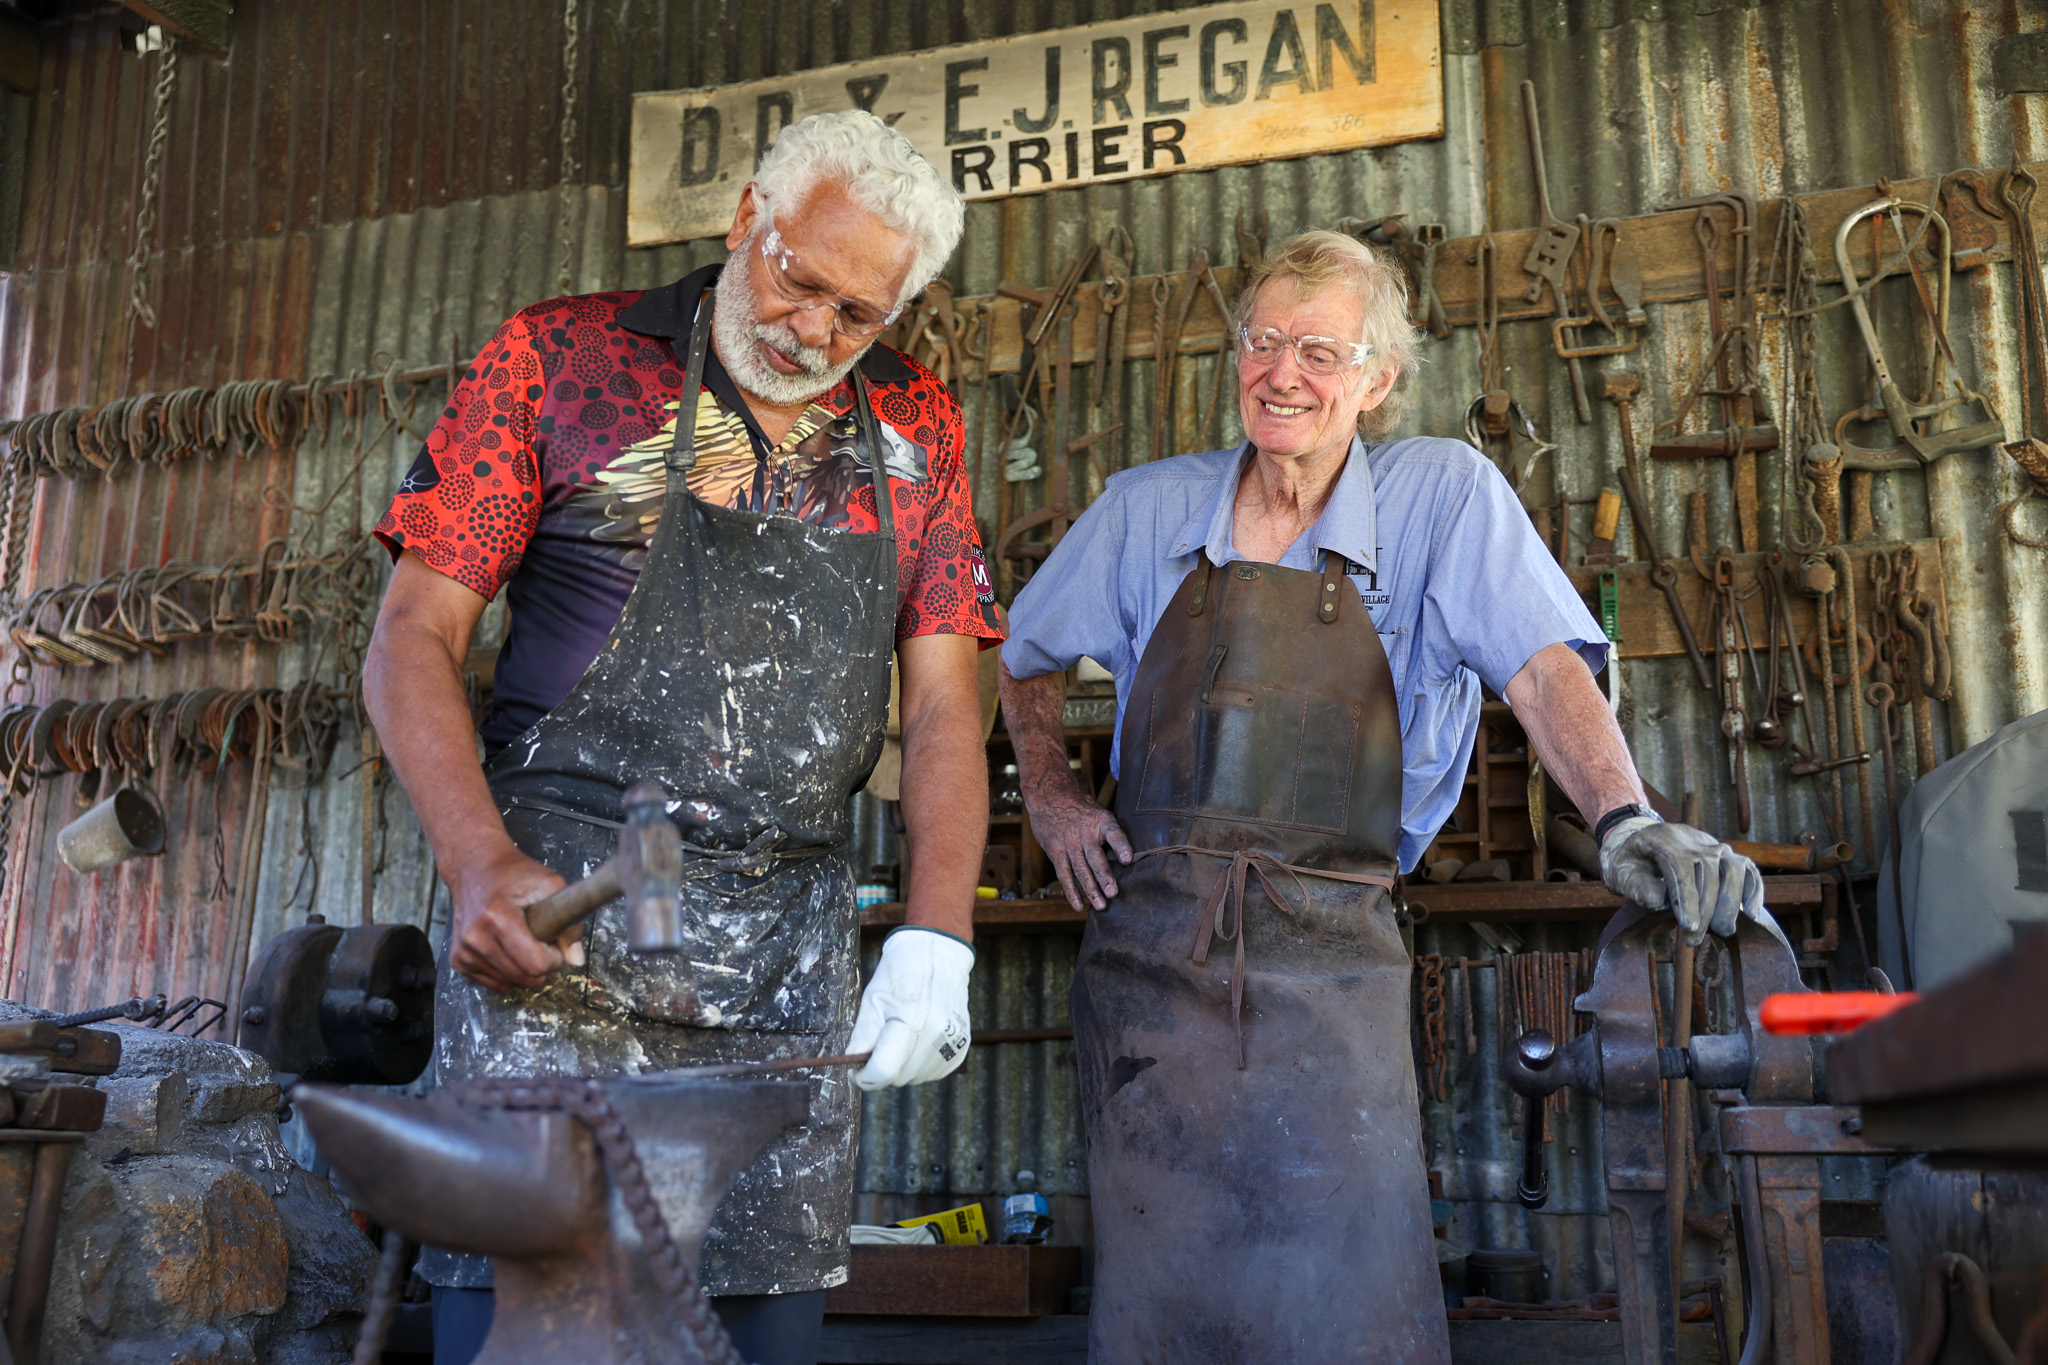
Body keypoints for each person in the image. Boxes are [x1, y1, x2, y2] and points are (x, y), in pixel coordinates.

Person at [997, 229, 1767, 1362]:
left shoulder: (1441, 495)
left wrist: (1622, 816)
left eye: (1319, 349)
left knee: (1347, 1301)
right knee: (1165, 1307)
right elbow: (1017, 659)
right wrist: (1056, 801)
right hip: (1147, 967)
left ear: (1375, 378)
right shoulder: (1142, 511)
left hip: (1334, 948)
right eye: (1263, 342)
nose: (1282, 374)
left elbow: (1541, 671)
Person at [363, 111, 1001, 1365]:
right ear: (744, 220)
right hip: (565, 937)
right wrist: (478, 865)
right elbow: (410, 641)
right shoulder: (560, 361)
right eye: (794, 275)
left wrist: (939, 933)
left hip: (782, 962)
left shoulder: (917, 425)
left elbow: (939, 703)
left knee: (756, 1338)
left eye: (856, 314)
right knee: (537, 1325)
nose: (810, 327)